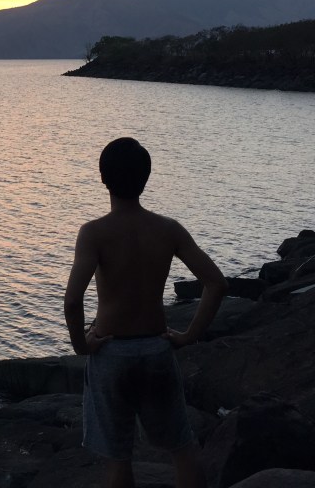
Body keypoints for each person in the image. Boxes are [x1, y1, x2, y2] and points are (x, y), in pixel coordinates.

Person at [64, 137, 228, 488]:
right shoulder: (168, 229)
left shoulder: (93, 233)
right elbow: (216, 283)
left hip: (111, 353)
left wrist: (81, 346)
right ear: (147, 177)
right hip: (155, 348)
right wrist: (189, 336)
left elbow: (72, 301)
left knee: (119, 459)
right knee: (182, 449)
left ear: (103, 178)